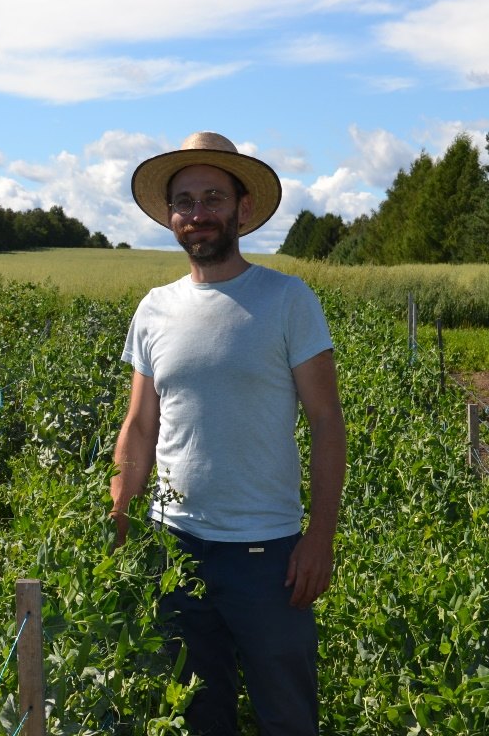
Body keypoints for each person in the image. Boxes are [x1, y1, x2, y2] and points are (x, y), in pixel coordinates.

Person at [109, 131, 347, 735]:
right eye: (185, 201)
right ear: (171, 217)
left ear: (243, 208)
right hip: (175, 548)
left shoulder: (286, 299)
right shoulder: (154, 308)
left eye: (213, 198)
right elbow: (139, 425)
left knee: (287, 717)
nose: (198, 213)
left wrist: (320, 536)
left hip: (268, 555)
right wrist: (118, 520)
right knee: (197, 716)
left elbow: (326, 420)